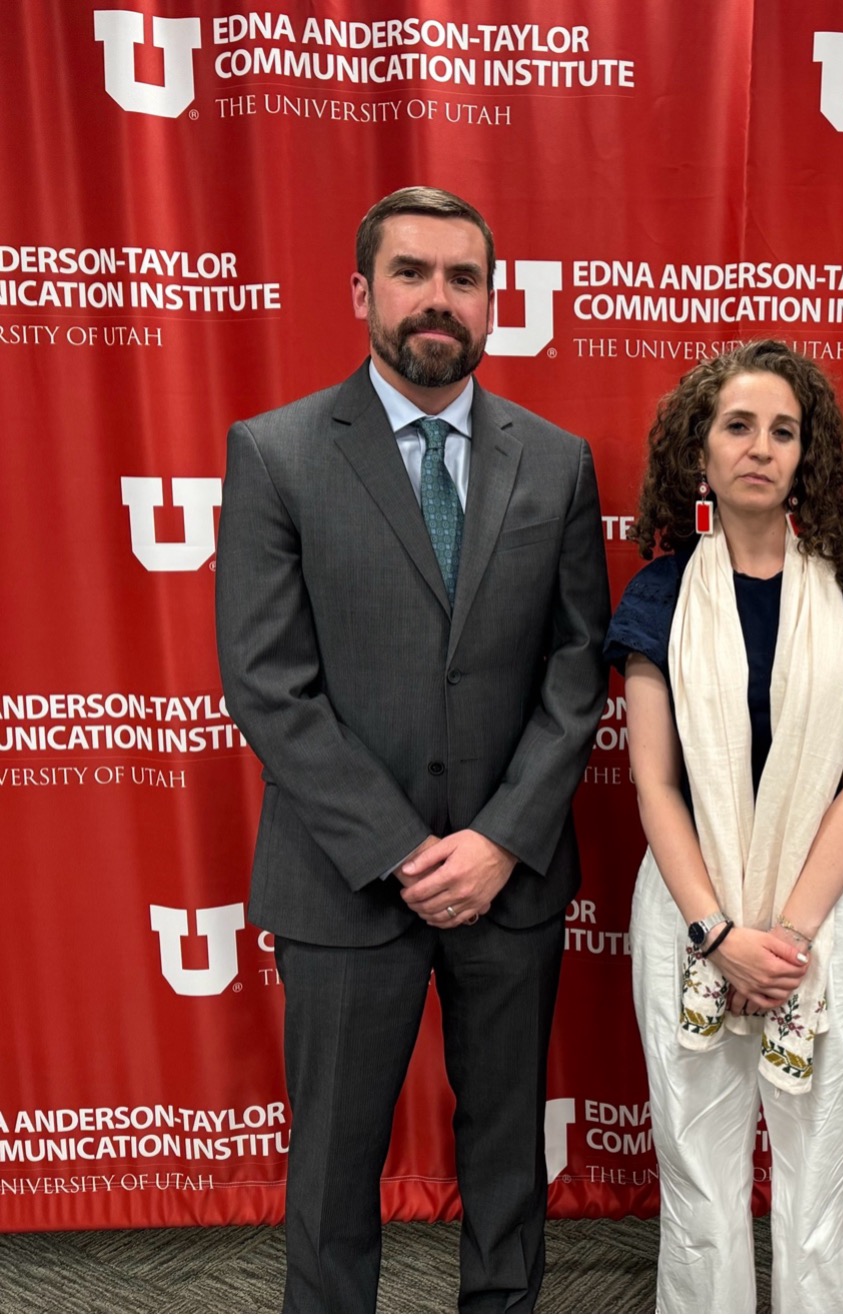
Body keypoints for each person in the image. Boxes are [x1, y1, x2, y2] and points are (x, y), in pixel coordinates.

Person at [214, 186, 610, 1313]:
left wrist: (494, 839)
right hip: (344, 880)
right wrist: (399, 847)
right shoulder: (277, 452)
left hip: (509, 878)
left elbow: (575, 667)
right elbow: (268, 680)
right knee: (333, 1167)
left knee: (503, 1162)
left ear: (493, 299)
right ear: (360, 292)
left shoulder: (557, 461)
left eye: (463, 277)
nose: (438, 298)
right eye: (411, 272)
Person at [605, 340, 843, 1313]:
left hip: (825, 914)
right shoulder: (659, 593)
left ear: (807, 451)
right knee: (698, 1180)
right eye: (736, 425)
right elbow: (654, 784)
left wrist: (782, 937)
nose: (759, 446)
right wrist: (717, 934)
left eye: (782, 429)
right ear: (696, 452)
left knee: (821, 1176)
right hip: (690, 907)